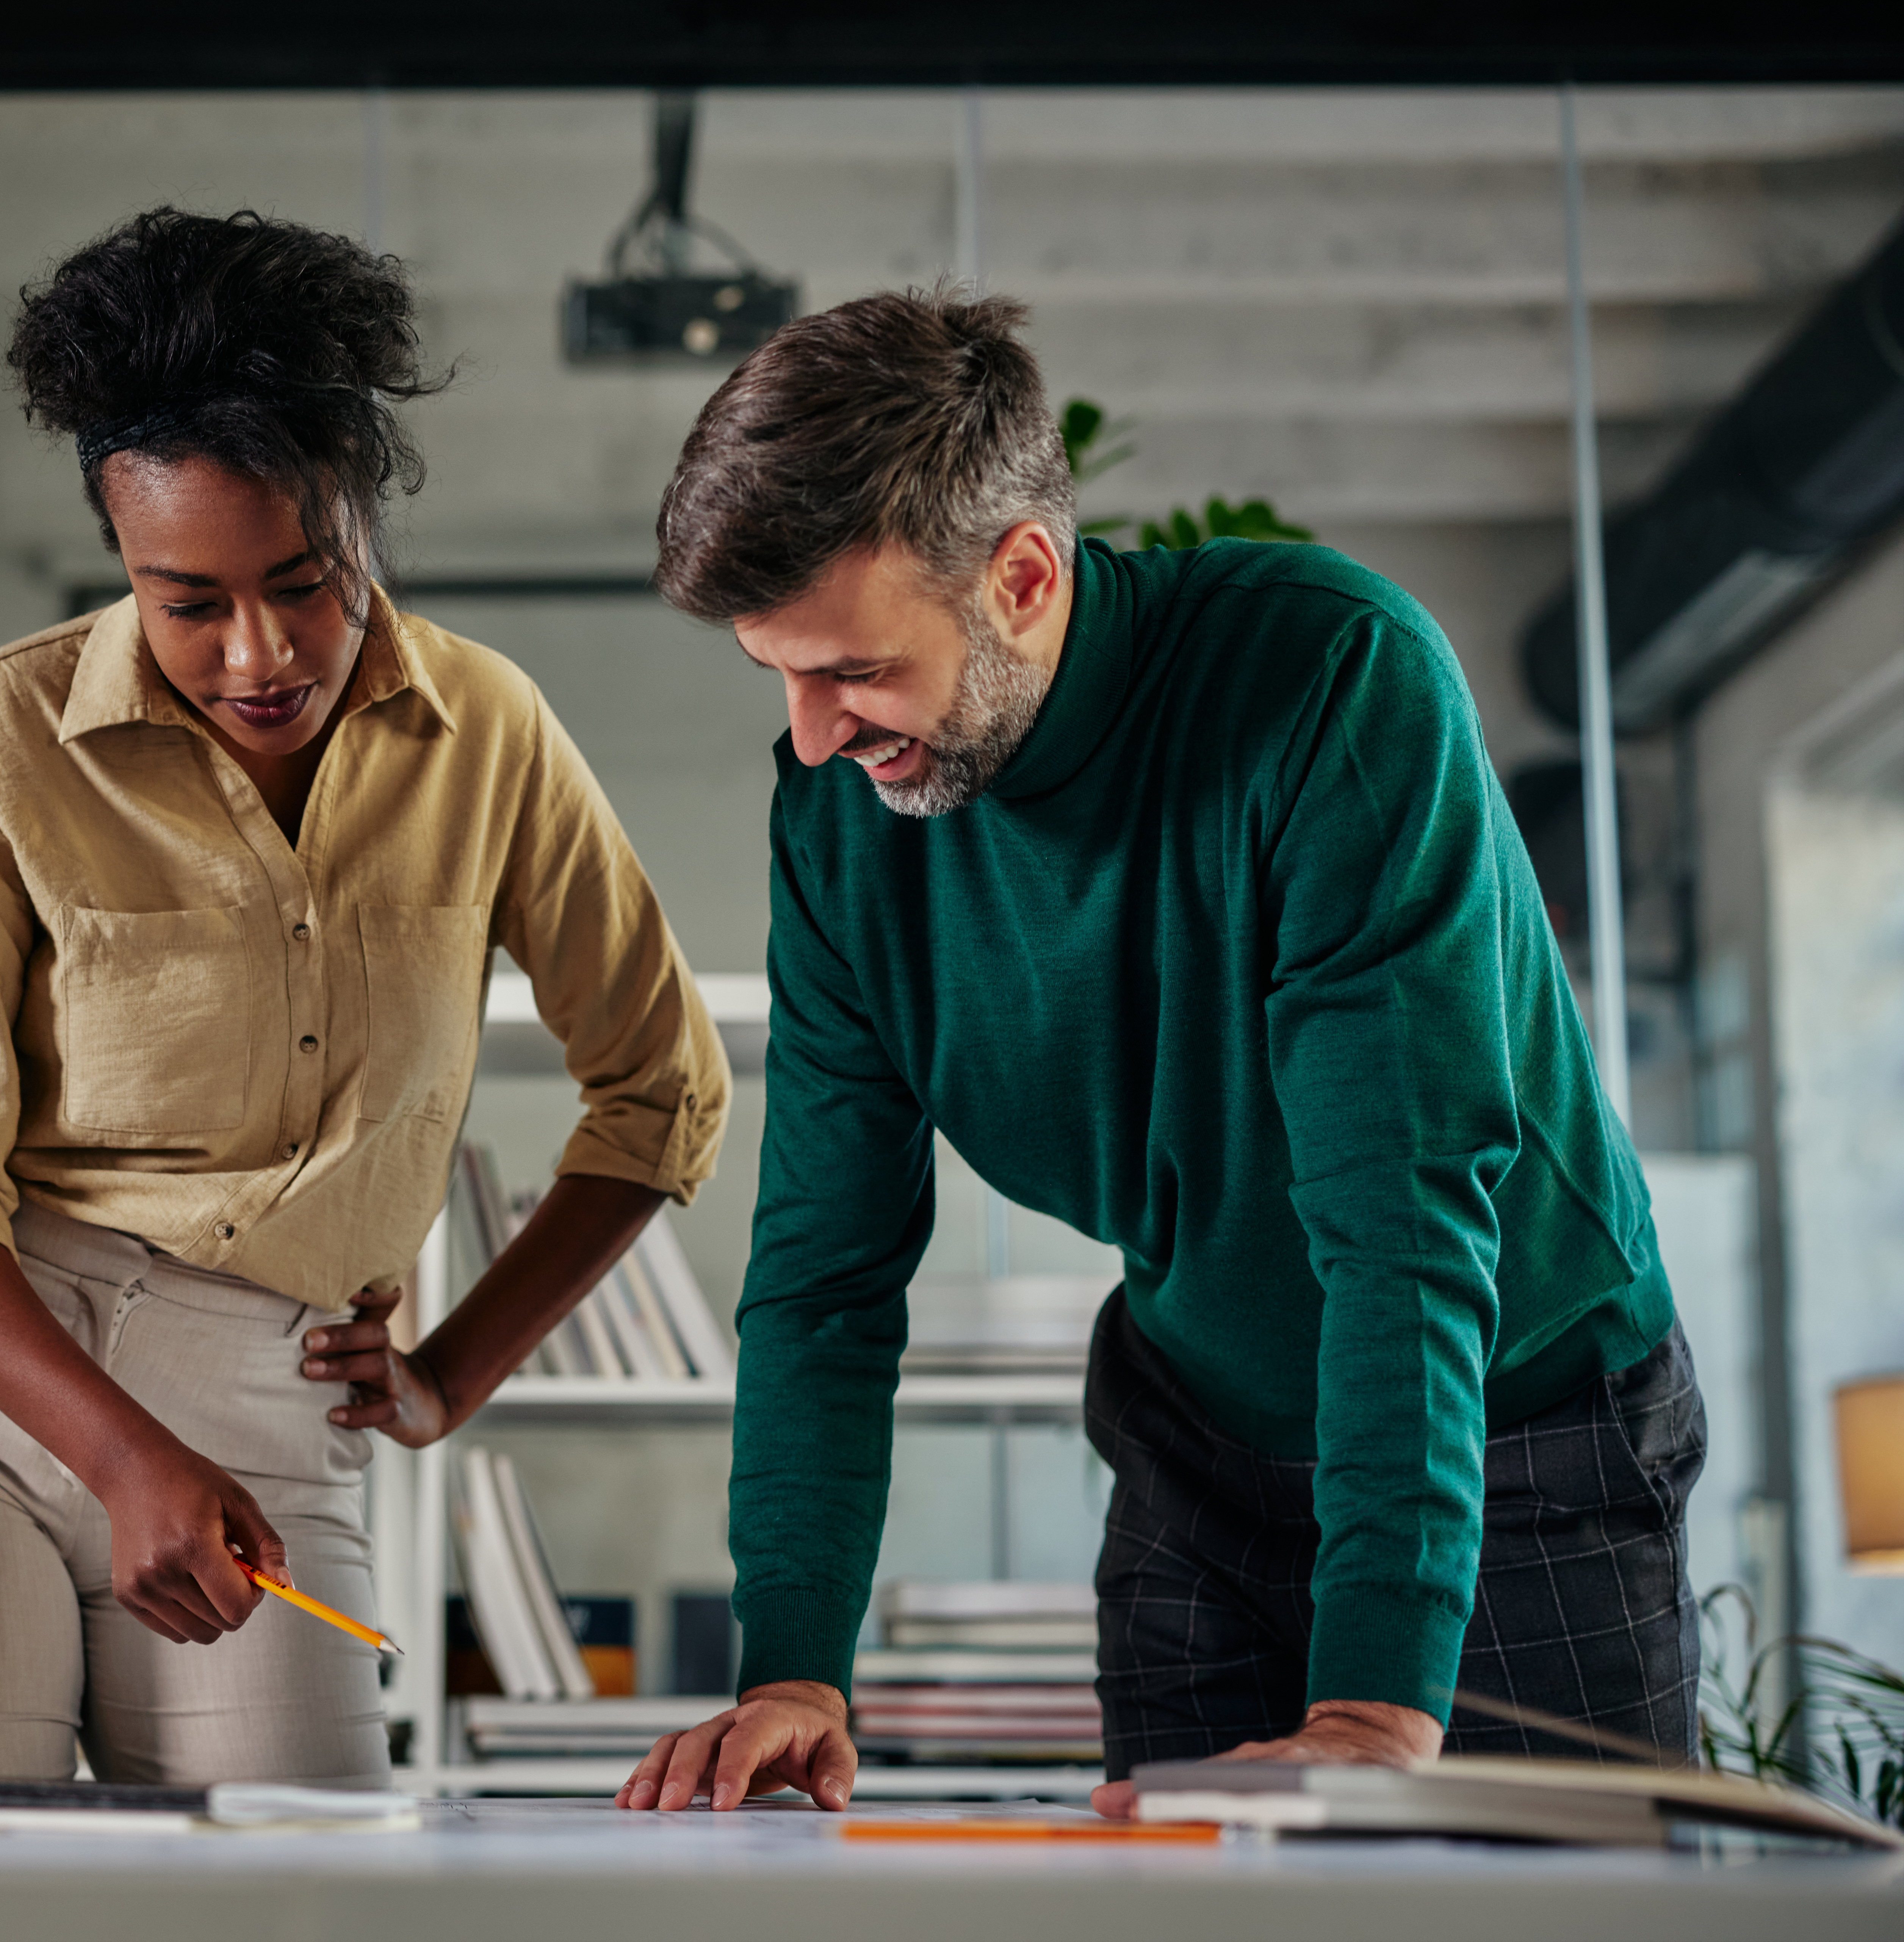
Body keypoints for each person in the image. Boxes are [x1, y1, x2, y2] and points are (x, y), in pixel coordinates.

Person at [615, 289, 1697, 1816]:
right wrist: (792, 1668)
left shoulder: (1328, 689)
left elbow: (1397, 1227)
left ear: (1020, 575)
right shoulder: (838, 833)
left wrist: (1377, 1706)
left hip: (1519, 1426)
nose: (807, 737)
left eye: (850, 671)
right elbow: (820, 1273)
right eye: (775, 677)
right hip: (1196, 1449)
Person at [0, 207, 729, 1793]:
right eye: (186, 601)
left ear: (364, 519)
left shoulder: (487, 731)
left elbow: (661, 1088)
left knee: (289, 1904)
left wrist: (447, 1374)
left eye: (305, 580)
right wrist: (123, 1449)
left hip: (272, 1414)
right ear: (116, 551)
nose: (259, 651)